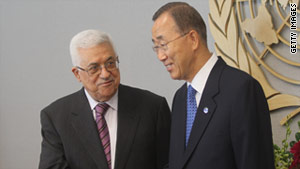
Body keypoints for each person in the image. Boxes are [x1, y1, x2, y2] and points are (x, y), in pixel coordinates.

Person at [151, 2, 274, 169]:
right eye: (156, 47)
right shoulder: (180, 99)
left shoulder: (241, 90)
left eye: (163, 45)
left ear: (193, 39)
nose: (160, 56)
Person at [39, 29, 171, 169]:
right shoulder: (56, 117)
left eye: (110, 63)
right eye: (94, 68)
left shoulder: (153, 108)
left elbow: (169, 164)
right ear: (77, 74)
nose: (105, 74)